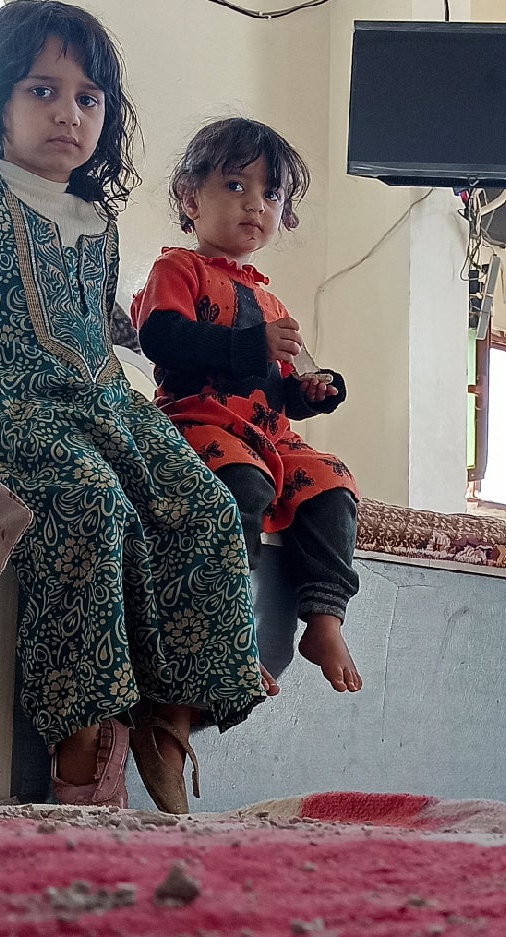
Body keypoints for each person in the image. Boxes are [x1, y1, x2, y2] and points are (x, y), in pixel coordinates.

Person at [0, 2, 269, 810]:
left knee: (204, 505)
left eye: (89, 98)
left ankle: (170, 722)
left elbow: (93, 335)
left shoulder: (100, 221)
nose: (68, 112)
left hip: (102, 403)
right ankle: (82, 746)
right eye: (42, 90)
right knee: (90, 503)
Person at [129, 117, 366, 702]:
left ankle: (324, 620)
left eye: (270, 193)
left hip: (267, 433)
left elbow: (278, 385)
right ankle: (228, 633)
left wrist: (313, 390)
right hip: (201, 420)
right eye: (236, 186)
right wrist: (251, 345)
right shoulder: (177, 270)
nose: (255, 204)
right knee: (243, 486)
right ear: (191, 198)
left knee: (334, 484)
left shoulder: (269, 298)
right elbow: (164, 341)